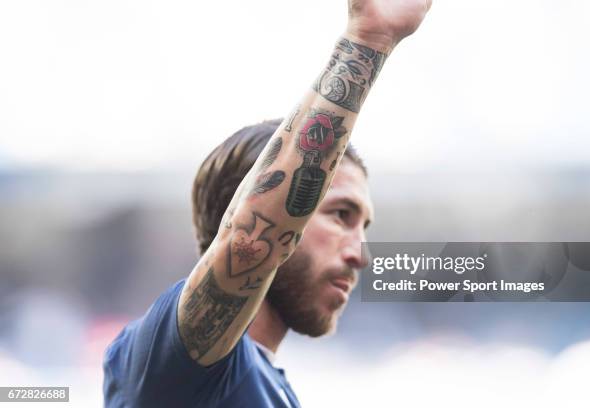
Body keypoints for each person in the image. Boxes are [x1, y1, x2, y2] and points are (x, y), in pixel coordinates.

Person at [103, 0, 432, 406]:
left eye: (362, 226)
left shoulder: (271, 388)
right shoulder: (173, 364)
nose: (359, 254)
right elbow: (251, 241)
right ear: (249, 203)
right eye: (340, 215)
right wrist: (369, 40)